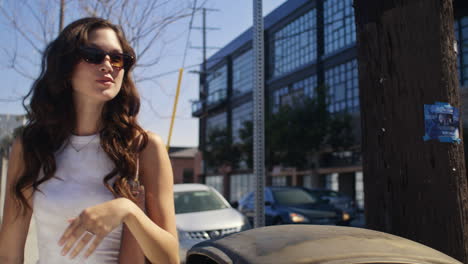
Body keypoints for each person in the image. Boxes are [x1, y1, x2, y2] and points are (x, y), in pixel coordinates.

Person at [0, 17, 179, 264]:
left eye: (117, 58)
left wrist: (127, 211)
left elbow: (169, 258)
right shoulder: (31, 146)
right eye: (93, 55)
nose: (108, 65)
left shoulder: (144, 147)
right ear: (65, 67)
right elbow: (9, 254)